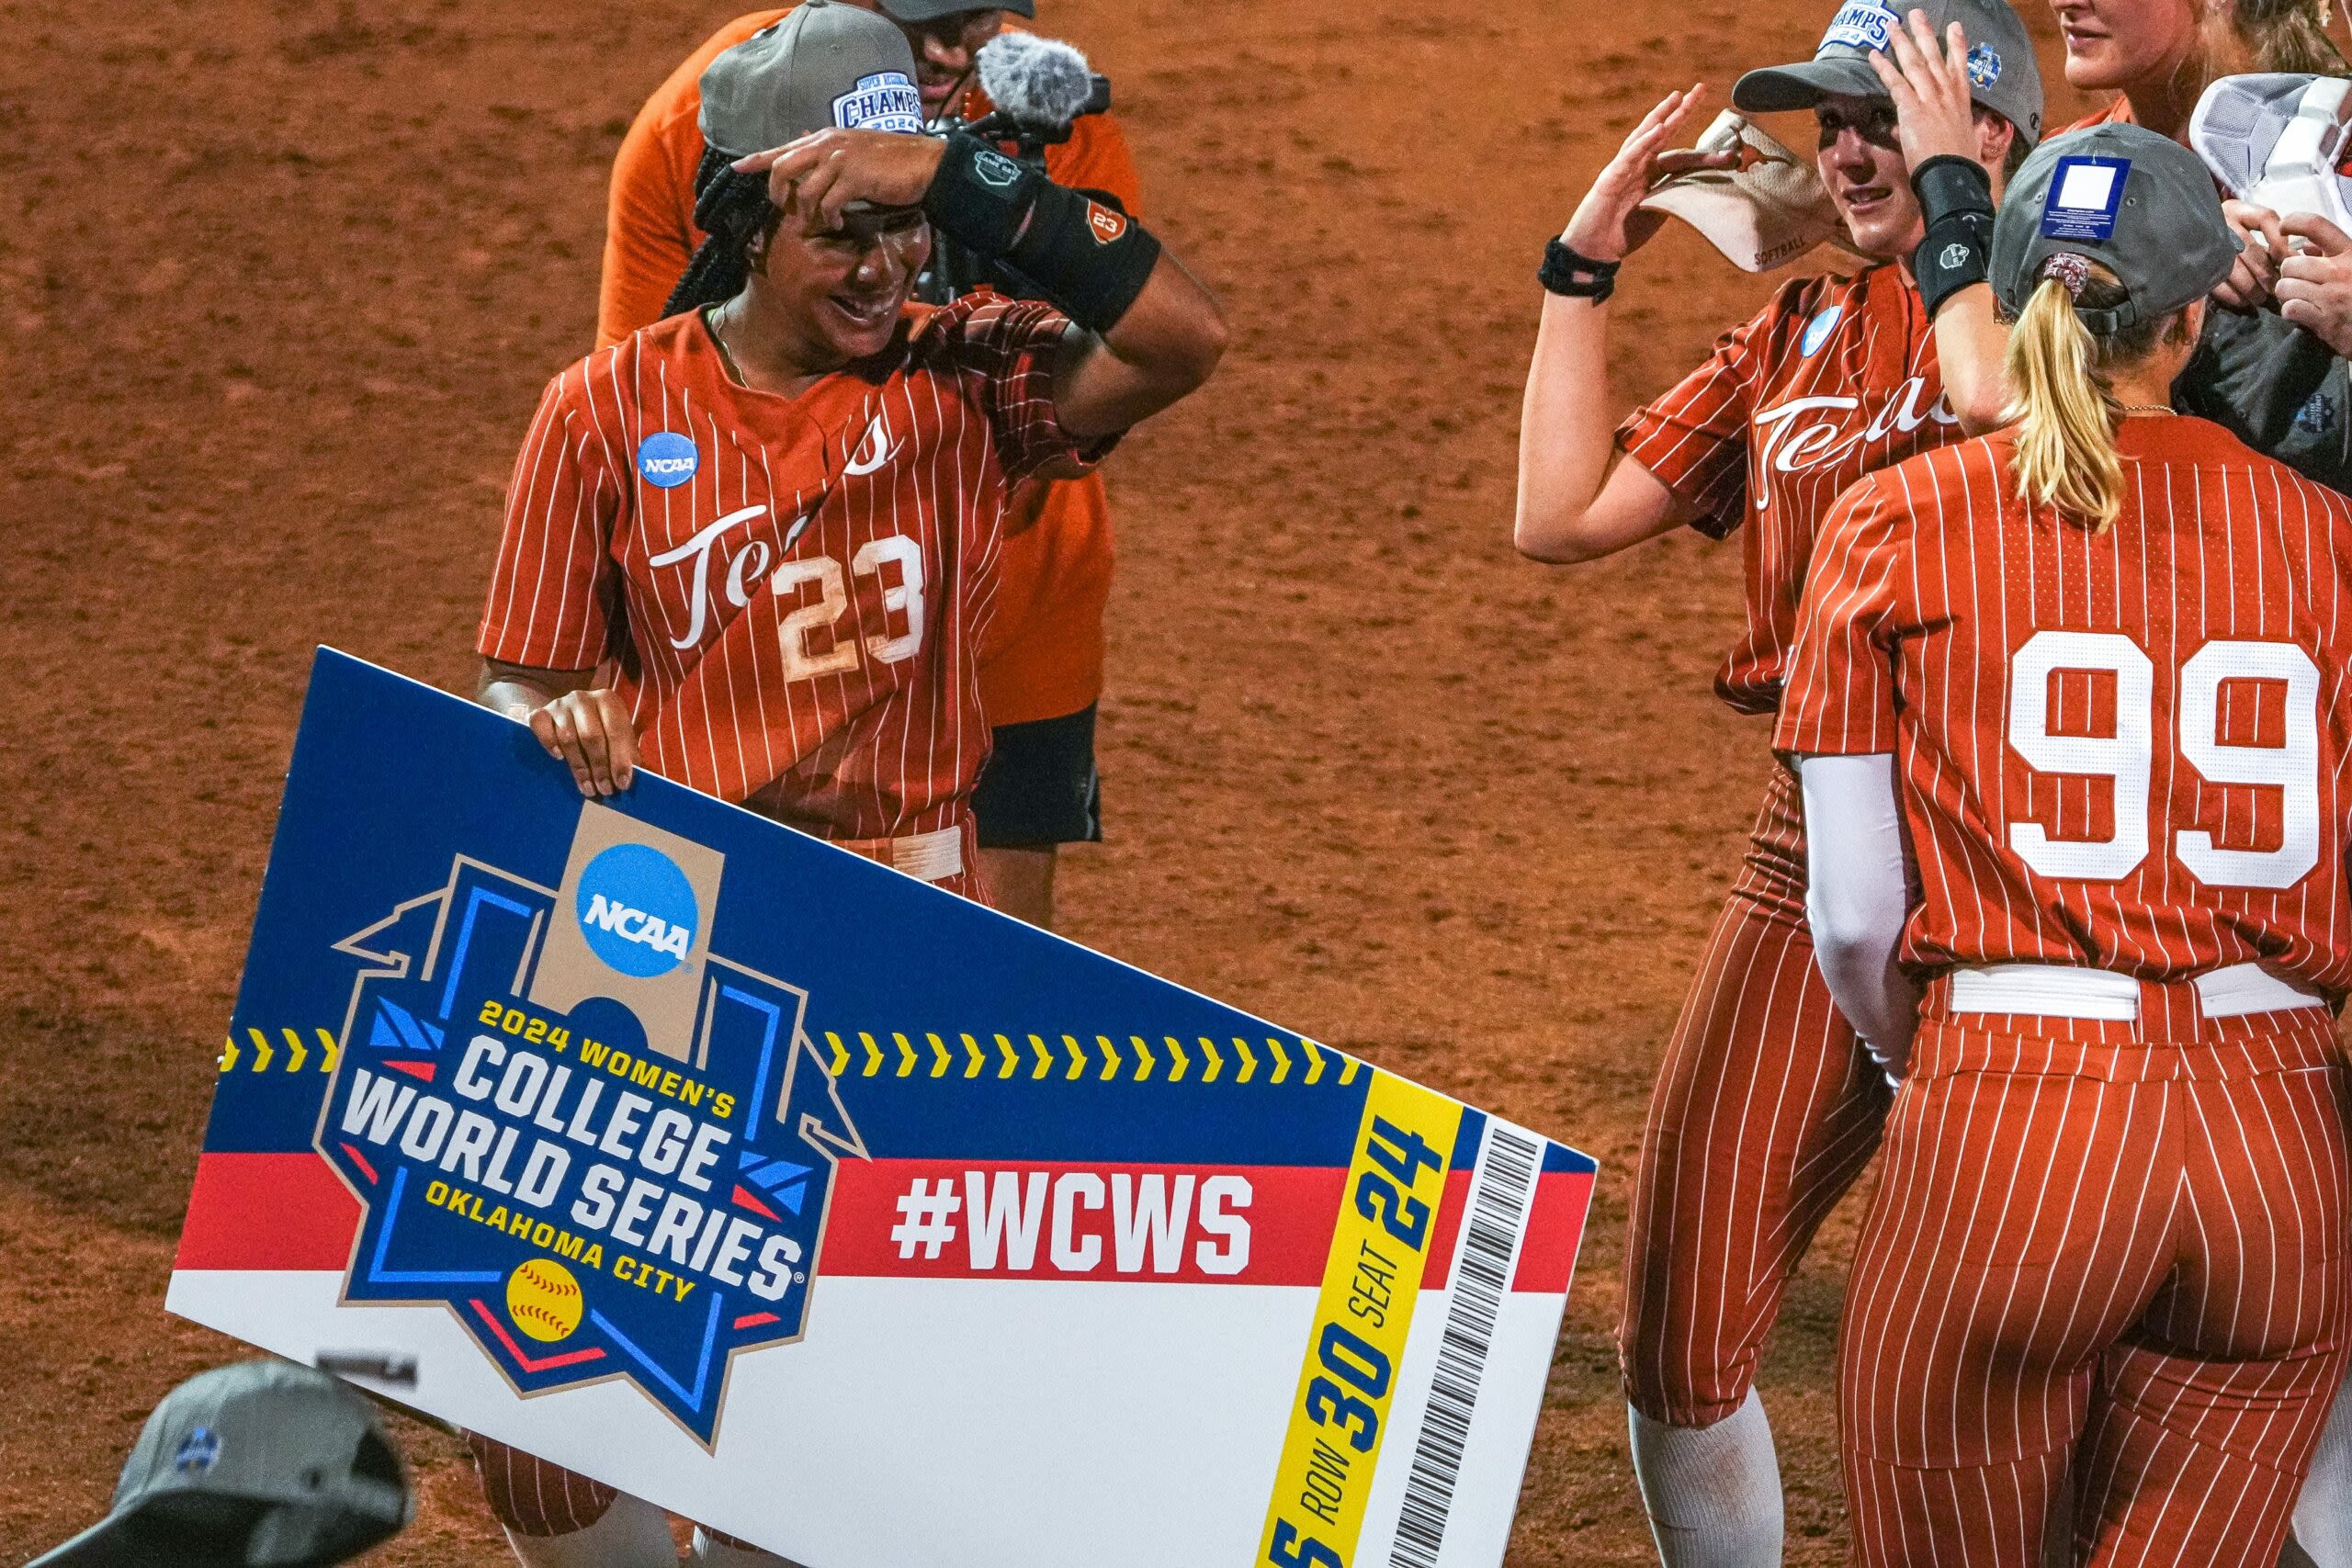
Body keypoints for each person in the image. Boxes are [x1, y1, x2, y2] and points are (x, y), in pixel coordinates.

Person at [463, 7, 1225, 1564]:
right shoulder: (603, 408)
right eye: (847, 229)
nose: (888, 268)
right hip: (657, 920)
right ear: (747, 216)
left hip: (894, 919)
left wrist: (955, 170)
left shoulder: (964, 384)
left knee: (811, 1441)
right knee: (539, 1426)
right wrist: (546, 719)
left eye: (908, 229)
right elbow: (520, 673)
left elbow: (1178, 342)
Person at [1511, 1, 2041, 1560]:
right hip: (1814, 838)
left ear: (1985, 129)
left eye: (1885, 117)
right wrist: (1582, 265)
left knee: (2050, 1311)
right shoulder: (1798, 326)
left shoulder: (2065, 307)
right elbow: (1561, 512)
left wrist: (1961, 214)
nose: (1849, 149)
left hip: (2029, 867)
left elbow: (2018, 415)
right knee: (1678, 1318)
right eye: (1835, 124)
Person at [1780, 122, 2352, 1566]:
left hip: (2016, 1127)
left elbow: (1852, 916)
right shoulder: (2327, 538)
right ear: (2192, 314)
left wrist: (1928, 1062)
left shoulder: (1891, 521)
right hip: (2276, 1148)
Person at [600, 0, 1147, 930]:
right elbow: (650, 435)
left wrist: (1000, 218)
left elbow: (1077, 424)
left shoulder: (1047, 119)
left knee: (975, 987)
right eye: (917, 19)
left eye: (973, 16)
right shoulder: (705, 125)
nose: (946, 50)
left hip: (1002, 612)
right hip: (759, 622)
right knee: (686, 972)